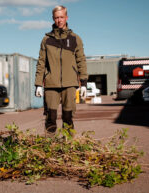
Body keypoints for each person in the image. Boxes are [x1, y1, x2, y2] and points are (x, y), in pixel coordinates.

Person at [34, 5, 88, 137]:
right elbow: (41, 62)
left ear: (66, 18)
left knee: (68, 117)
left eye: (61, 17)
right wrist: (38, 84)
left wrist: (84, 83)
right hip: (51, 84)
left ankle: (68, 147)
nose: (59, 20)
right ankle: (49, 148)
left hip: (70, 84)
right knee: (50, 118)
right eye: (56, 17)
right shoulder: (46, 40)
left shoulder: (75, 39)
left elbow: (81, 60)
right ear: (53, 18)